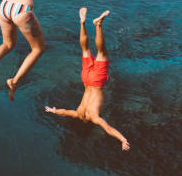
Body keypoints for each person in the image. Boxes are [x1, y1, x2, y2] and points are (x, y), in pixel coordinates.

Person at [45, 8, 130, 151]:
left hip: (97, 82)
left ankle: (98, 25)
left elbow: (108, 129)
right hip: (85, 79)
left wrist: (122, 139)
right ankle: (82, 23)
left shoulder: (94, 117)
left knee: (102, 52)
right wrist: (53, 110)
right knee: (85, 49)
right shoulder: (77, 113)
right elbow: (64, 112)